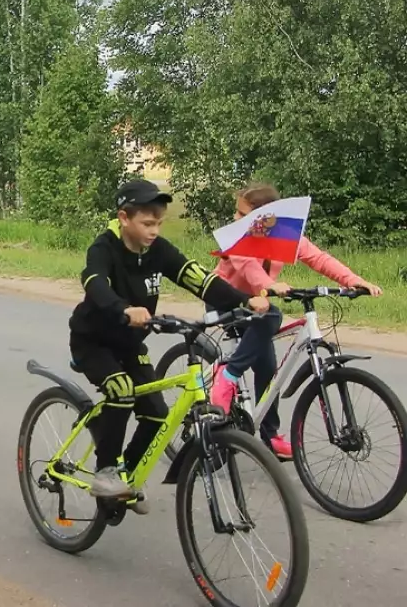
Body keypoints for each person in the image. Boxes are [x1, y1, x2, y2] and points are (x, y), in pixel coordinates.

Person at [70, 178, 269, 509]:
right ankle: (105, 473)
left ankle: (125, 479)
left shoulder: (157, 250)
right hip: (93, 342)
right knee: (121, 390)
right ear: (124, 218)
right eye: (147, 223)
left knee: (159, 415)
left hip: (130, 344)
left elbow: (199, 279)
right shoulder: (104, 248)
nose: (154, 230)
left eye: (159, 223)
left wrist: (244, 301)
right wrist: (123, 308)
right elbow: (95, 283)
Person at [209, 182, 383, 459]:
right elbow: (249, 267)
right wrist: (269, 285)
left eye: (241, 215)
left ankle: (271, 436)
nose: (235, 219)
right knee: (273, 316)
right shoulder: (238, 238)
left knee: (268, 369)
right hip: (226, 299)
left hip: (258, 305)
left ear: (264, 218)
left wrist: (355, 281)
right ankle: (227, 375)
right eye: (237, 213)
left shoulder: (285, 237)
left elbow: (319, 259)